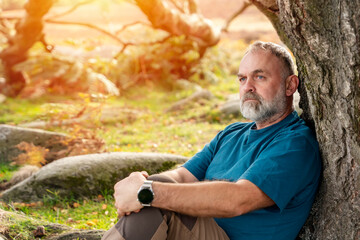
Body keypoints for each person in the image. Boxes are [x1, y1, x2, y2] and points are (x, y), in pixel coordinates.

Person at [102, 41, 321, 240]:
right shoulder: (231, 133)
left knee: (155, 201)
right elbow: (181, 175)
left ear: (290, 86)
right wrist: (139, 183)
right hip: (199, 229)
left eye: (260, 76)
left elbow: (238, 200)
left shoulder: (295, 143)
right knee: (158, 192)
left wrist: (146, 192)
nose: (248, 87)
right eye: (242, 78)